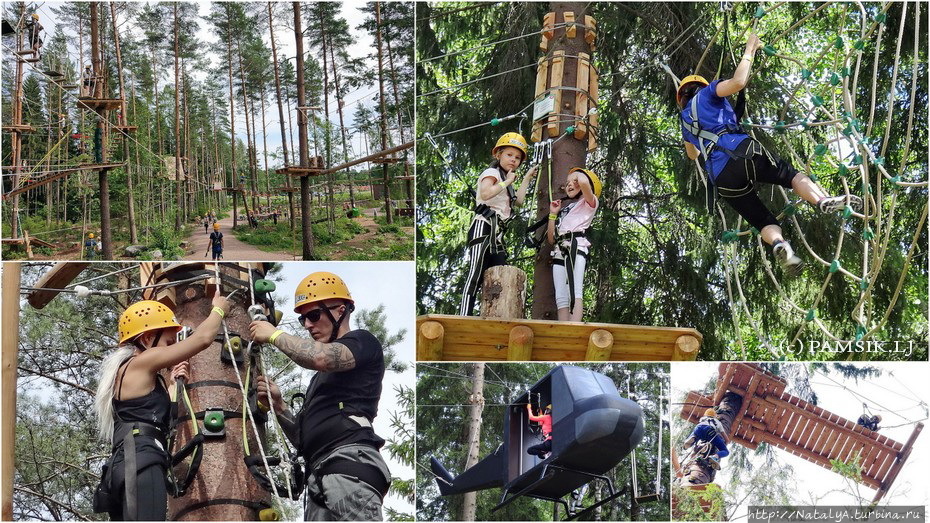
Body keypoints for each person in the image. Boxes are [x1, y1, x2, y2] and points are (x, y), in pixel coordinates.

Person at [678, 33, 862, 275]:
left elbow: (692, 155)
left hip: (722, 179)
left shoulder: (684, 121)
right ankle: (821, 200)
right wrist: (749, 50)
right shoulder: (709, 93)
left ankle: (780, 244)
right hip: (741, 151)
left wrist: (690, 132)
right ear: (700, 87)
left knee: (763, 220)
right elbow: (738, 82)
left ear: (681, 98)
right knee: (791, 176)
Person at [249, 272, 391, 521]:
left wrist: (273, 334)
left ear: (340, 310)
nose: (307, 325)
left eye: (314, 315)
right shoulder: (320, 382)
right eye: (303, 318)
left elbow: (321, 357)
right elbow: (303, 440)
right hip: (320, 477)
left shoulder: (362, 342)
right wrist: (279, 406)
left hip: (349, 468)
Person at [92, 294, 231, 521]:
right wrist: (218, 310)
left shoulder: (134, 373)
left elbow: (152, 414)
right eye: (168, 341)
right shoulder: (142, 361)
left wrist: (174, 384)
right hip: (141, 460)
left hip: (126, 466)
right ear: (147, 339)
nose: (172, 348)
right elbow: (204, 338)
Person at [459, 132, 538, 315]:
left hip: (498, 234)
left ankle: (494, 314)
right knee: (476, 274)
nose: (513, 160)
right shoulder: (492, 172)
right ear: (498, 155)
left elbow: (518, 201)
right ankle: (464, 315)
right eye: (509, 155)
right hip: (483, 226)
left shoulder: (508, 180)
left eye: (517, 158)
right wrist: (507, 181)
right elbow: (486, 194)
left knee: (499, 276)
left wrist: (525, 178)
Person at [547, 167, 602, 322]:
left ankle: (575, 326)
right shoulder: (567, 209)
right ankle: (563, 329)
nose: (569, 185)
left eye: (574, 182)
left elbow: (584, 182)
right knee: (561, 295)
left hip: (575, 248)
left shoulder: (590, 203)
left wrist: (577, 174)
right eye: (567, 183)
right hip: (559, 249)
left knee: (574, 289)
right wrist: (553, 214)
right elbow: (551, 239)